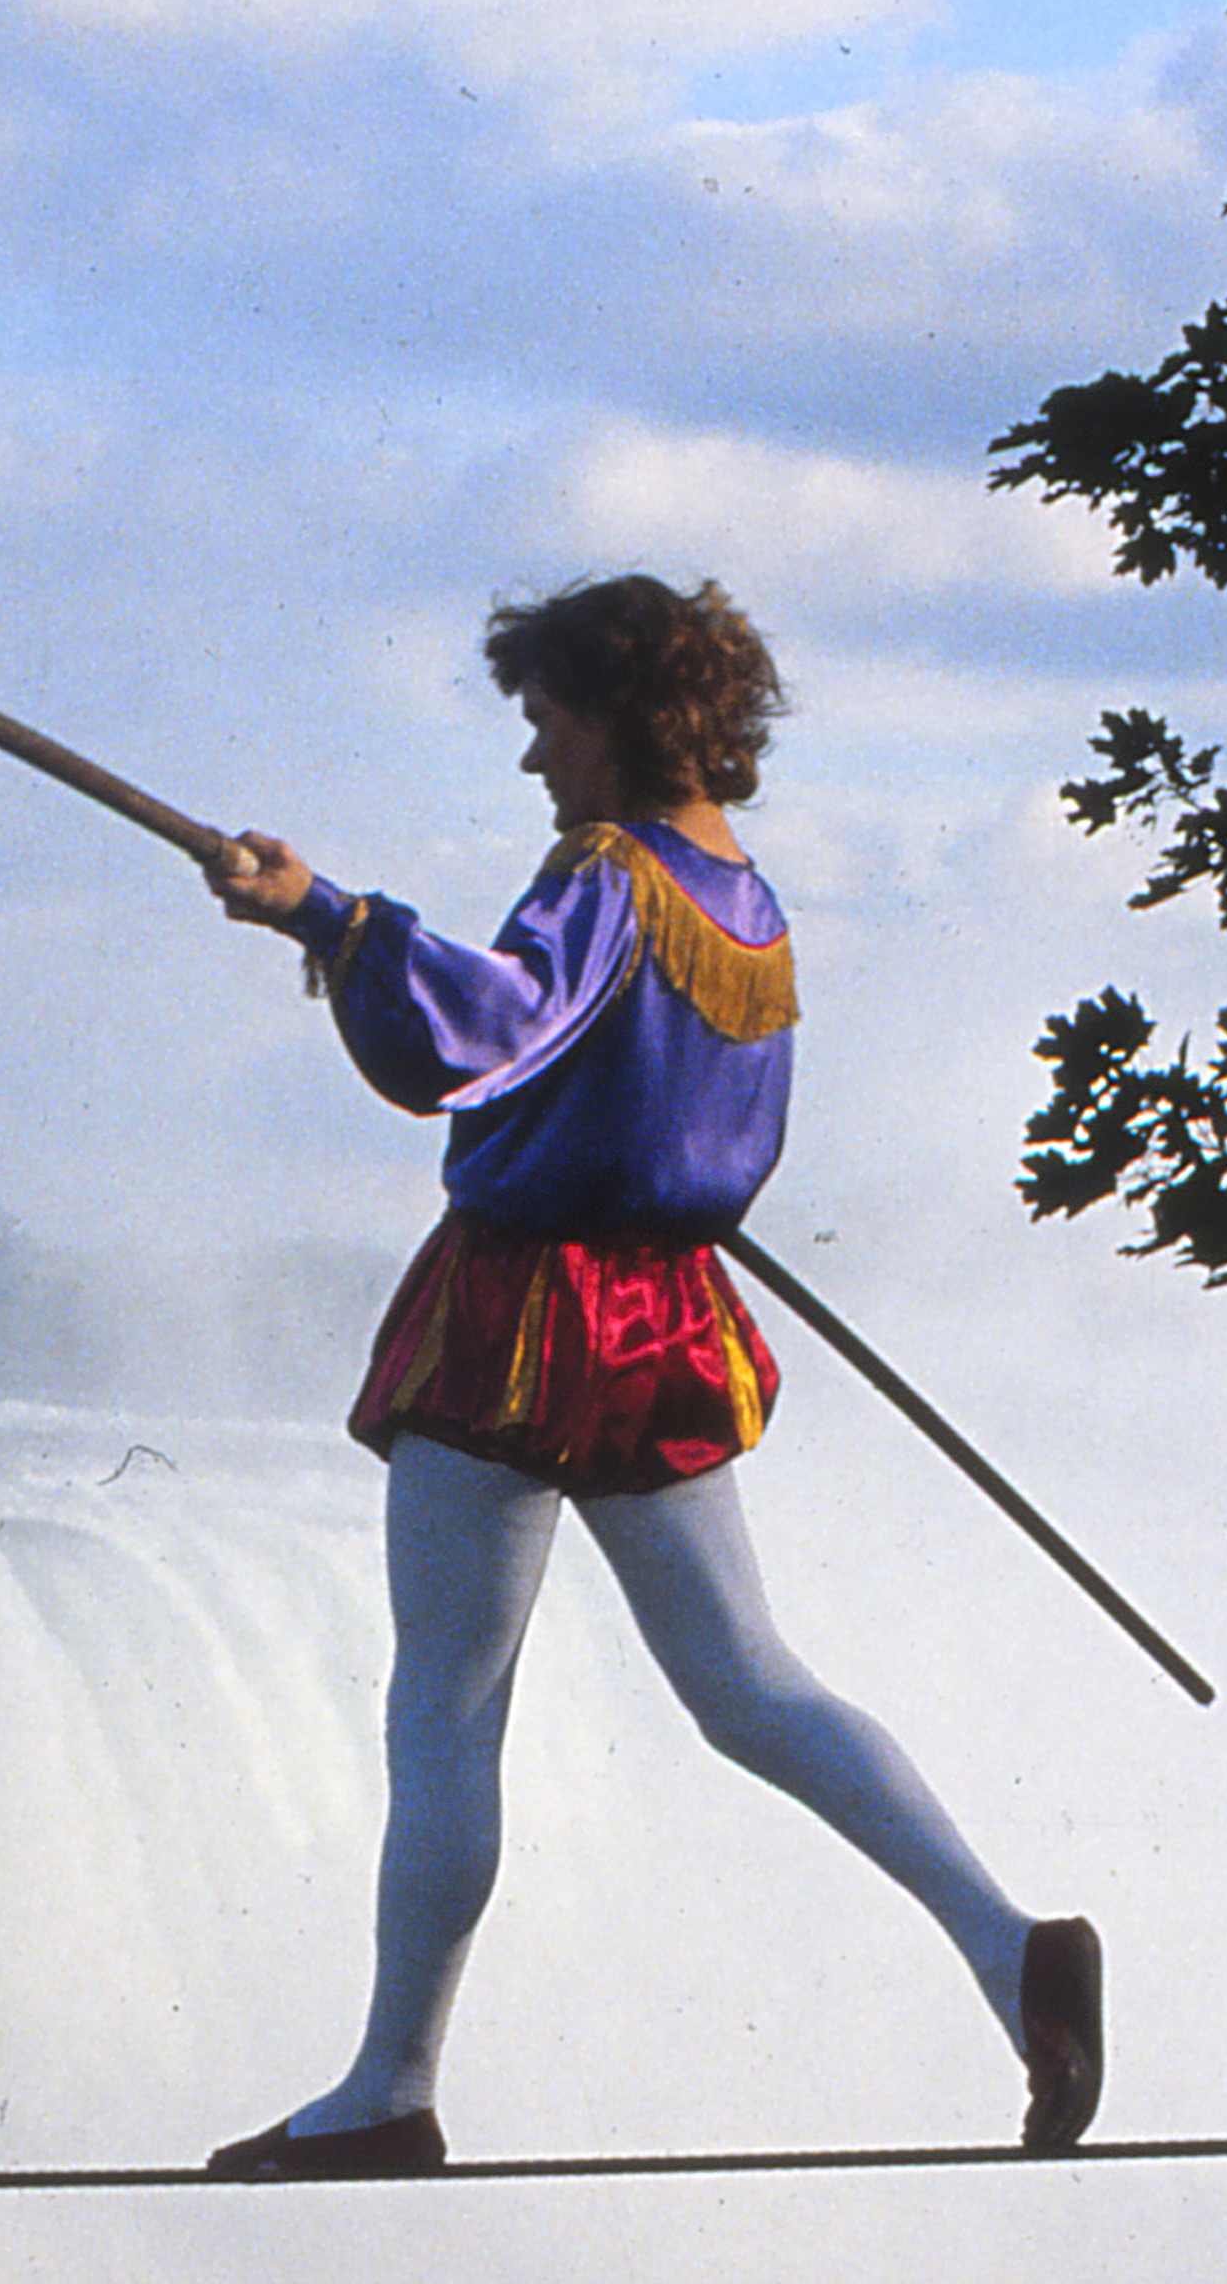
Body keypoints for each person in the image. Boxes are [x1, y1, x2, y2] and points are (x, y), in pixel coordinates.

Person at [190, 575, 1095, 2176]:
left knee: (447, 1704)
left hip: (526, 1308)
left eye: (547, 721)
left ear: (616, 718)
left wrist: (330, 915)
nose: (536, 761)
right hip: (668, 1309)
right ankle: (1006, 1946)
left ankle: (391, 2089)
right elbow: (701, 1123)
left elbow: (499, 1023)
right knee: (751, 1679)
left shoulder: (607, 874)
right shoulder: (745, 897)